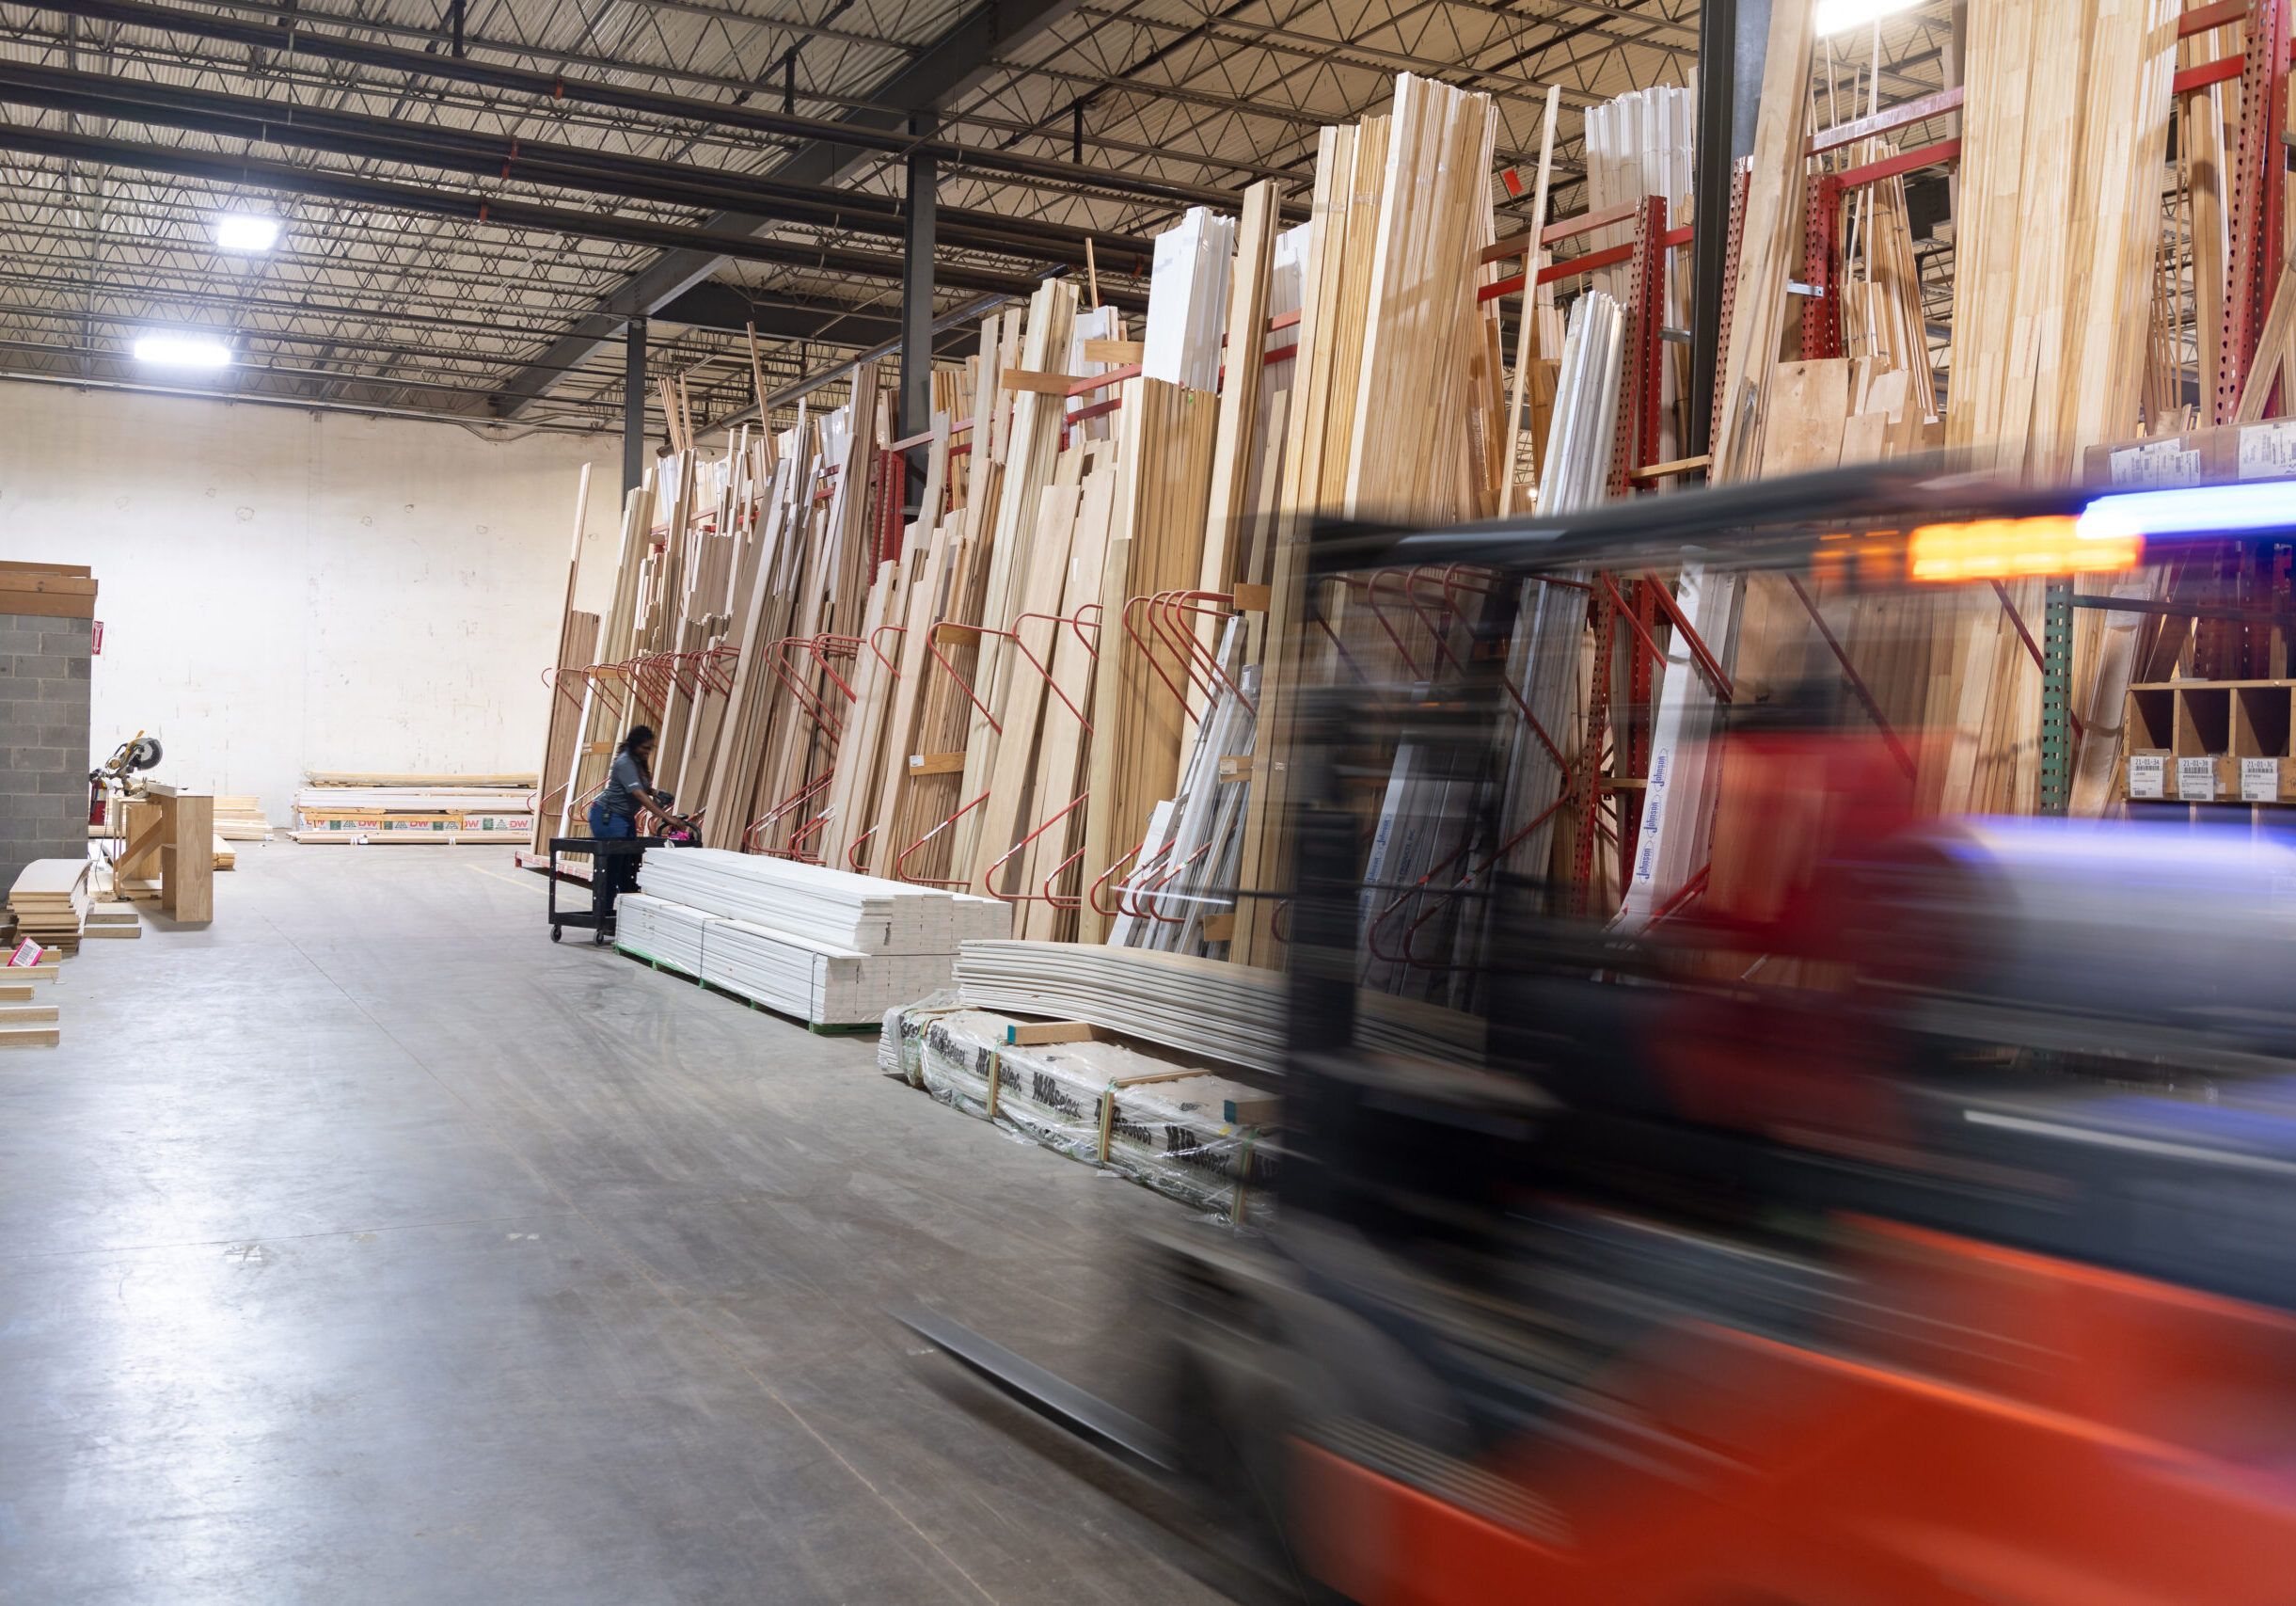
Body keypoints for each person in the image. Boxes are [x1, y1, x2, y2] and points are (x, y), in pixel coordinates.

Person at [587, 725, 690, 923]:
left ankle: (626, 916)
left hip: (624, 817)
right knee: (612, 866)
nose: (647, 752)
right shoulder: (625, 761)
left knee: (629, 867)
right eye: (645, 748)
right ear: (634, 745)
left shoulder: (636, 761)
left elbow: (641, 788)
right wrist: (667, 817)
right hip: (609, 817)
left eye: (650, 749)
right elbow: (637, 794)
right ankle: (604, 916)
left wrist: (656, 792)